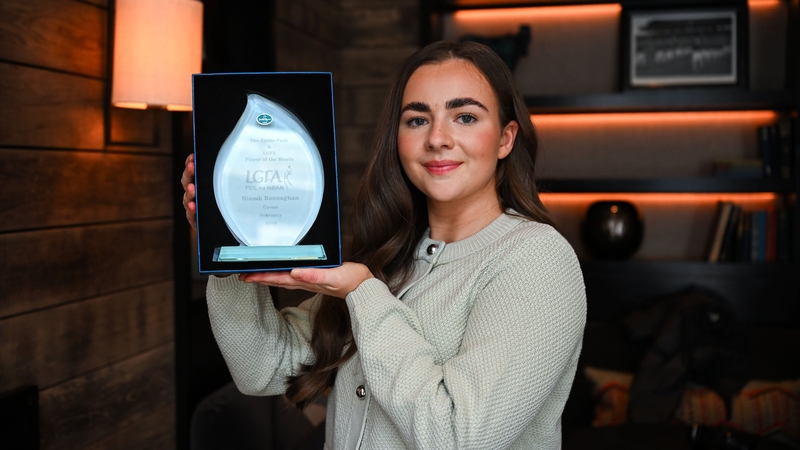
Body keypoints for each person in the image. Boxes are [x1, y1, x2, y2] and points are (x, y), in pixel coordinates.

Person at [181, 40, 586, 450]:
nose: (437, 138)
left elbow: (457, 438)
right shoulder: (390, 256)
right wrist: (225, 241)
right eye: (416, 120)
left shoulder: (536, 260)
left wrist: (362, 293)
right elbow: (262, 369)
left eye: (464, 117)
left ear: (505, 138)